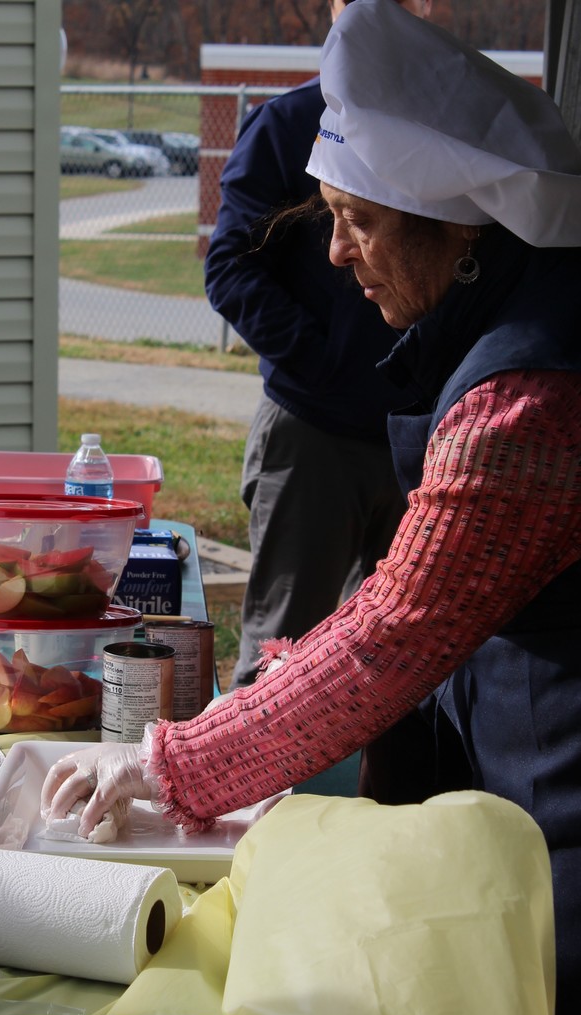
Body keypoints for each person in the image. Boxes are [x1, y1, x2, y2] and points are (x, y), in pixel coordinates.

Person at [42, 2, 581, 1015]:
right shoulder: (518, 310)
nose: (337, 255)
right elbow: (404, 601)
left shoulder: (530, 403)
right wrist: (273, 681)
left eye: (354, 220)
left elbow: (395, 634)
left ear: (456, 232)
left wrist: (171, 762)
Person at [204, 0, 430, 690]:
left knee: (402, 672)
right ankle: (244, 795)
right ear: (335, 8)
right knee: (279, 668)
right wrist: (325, 362)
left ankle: (377, 802)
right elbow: (231, 268)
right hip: (313, 439)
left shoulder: (441, 129)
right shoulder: (291, 124)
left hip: (418, 437)